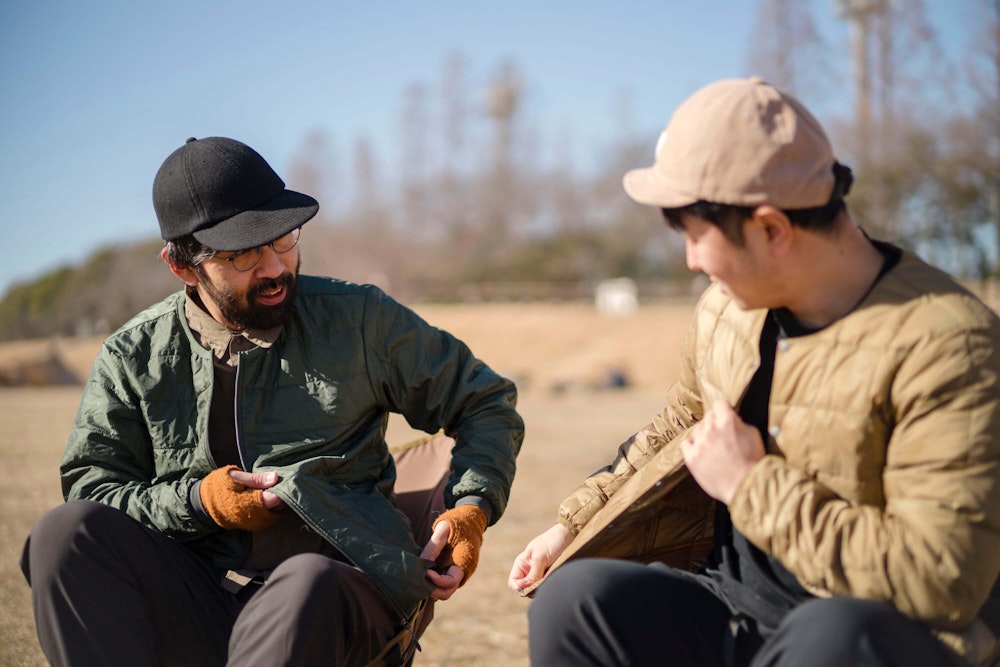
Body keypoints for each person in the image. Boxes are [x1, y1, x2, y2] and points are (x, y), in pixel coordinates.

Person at [508, 77, 1000, 666]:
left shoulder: (947, 343)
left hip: (860, 634)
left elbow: (939, 576)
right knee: (577, 601)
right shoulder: (729, 306)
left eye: (695, 236)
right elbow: (682, 424)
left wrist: (750, 486)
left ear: (771, 229)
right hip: (731, 607)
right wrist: (576, 525)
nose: (691, 261)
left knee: (833, 637)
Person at [21, 136, 524, 667]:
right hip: (201, 600)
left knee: (305, 584)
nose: (274, 269)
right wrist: (198, 503)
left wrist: (473, 506)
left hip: (340, 590)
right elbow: (94, 487)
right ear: (182, 266)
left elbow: (485, 402)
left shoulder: (360, 320)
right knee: (64, 534)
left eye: (283, 241)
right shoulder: (131, 355)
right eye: (242, 255)